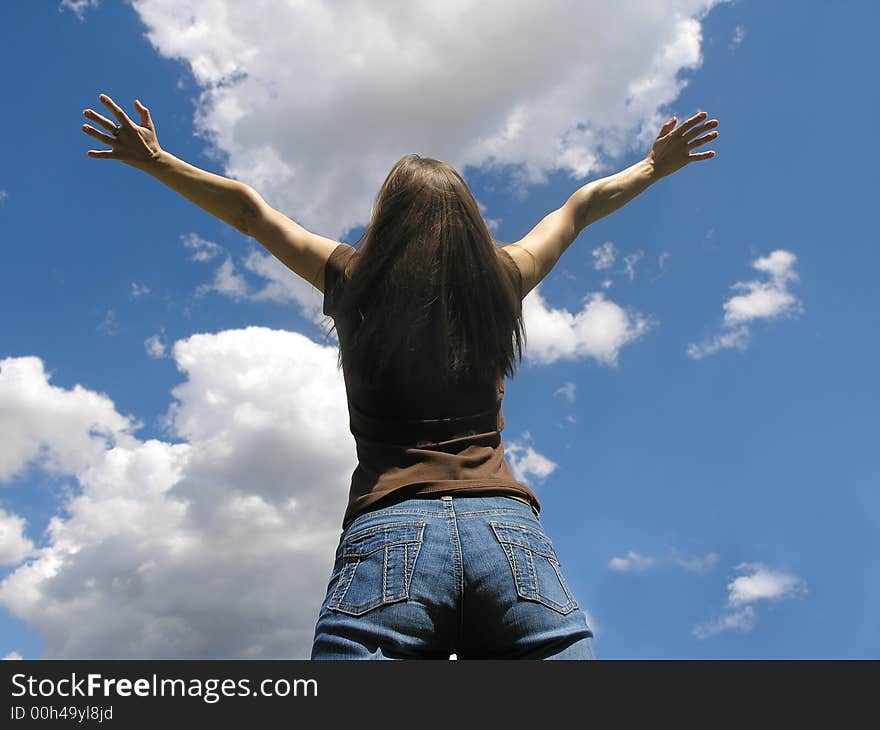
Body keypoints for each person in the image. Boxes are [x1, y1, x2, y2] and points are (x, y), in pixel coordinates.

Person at [82, 94, 719, 659]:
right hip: (508, 533)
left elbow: (252, 212)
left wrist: (156, 161)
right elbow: (578, 209)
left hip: (390, 529)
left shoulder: (355, 278)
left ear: (387, 219)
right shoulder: (500, 278)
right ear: (470, 222)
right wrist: (653, 167)